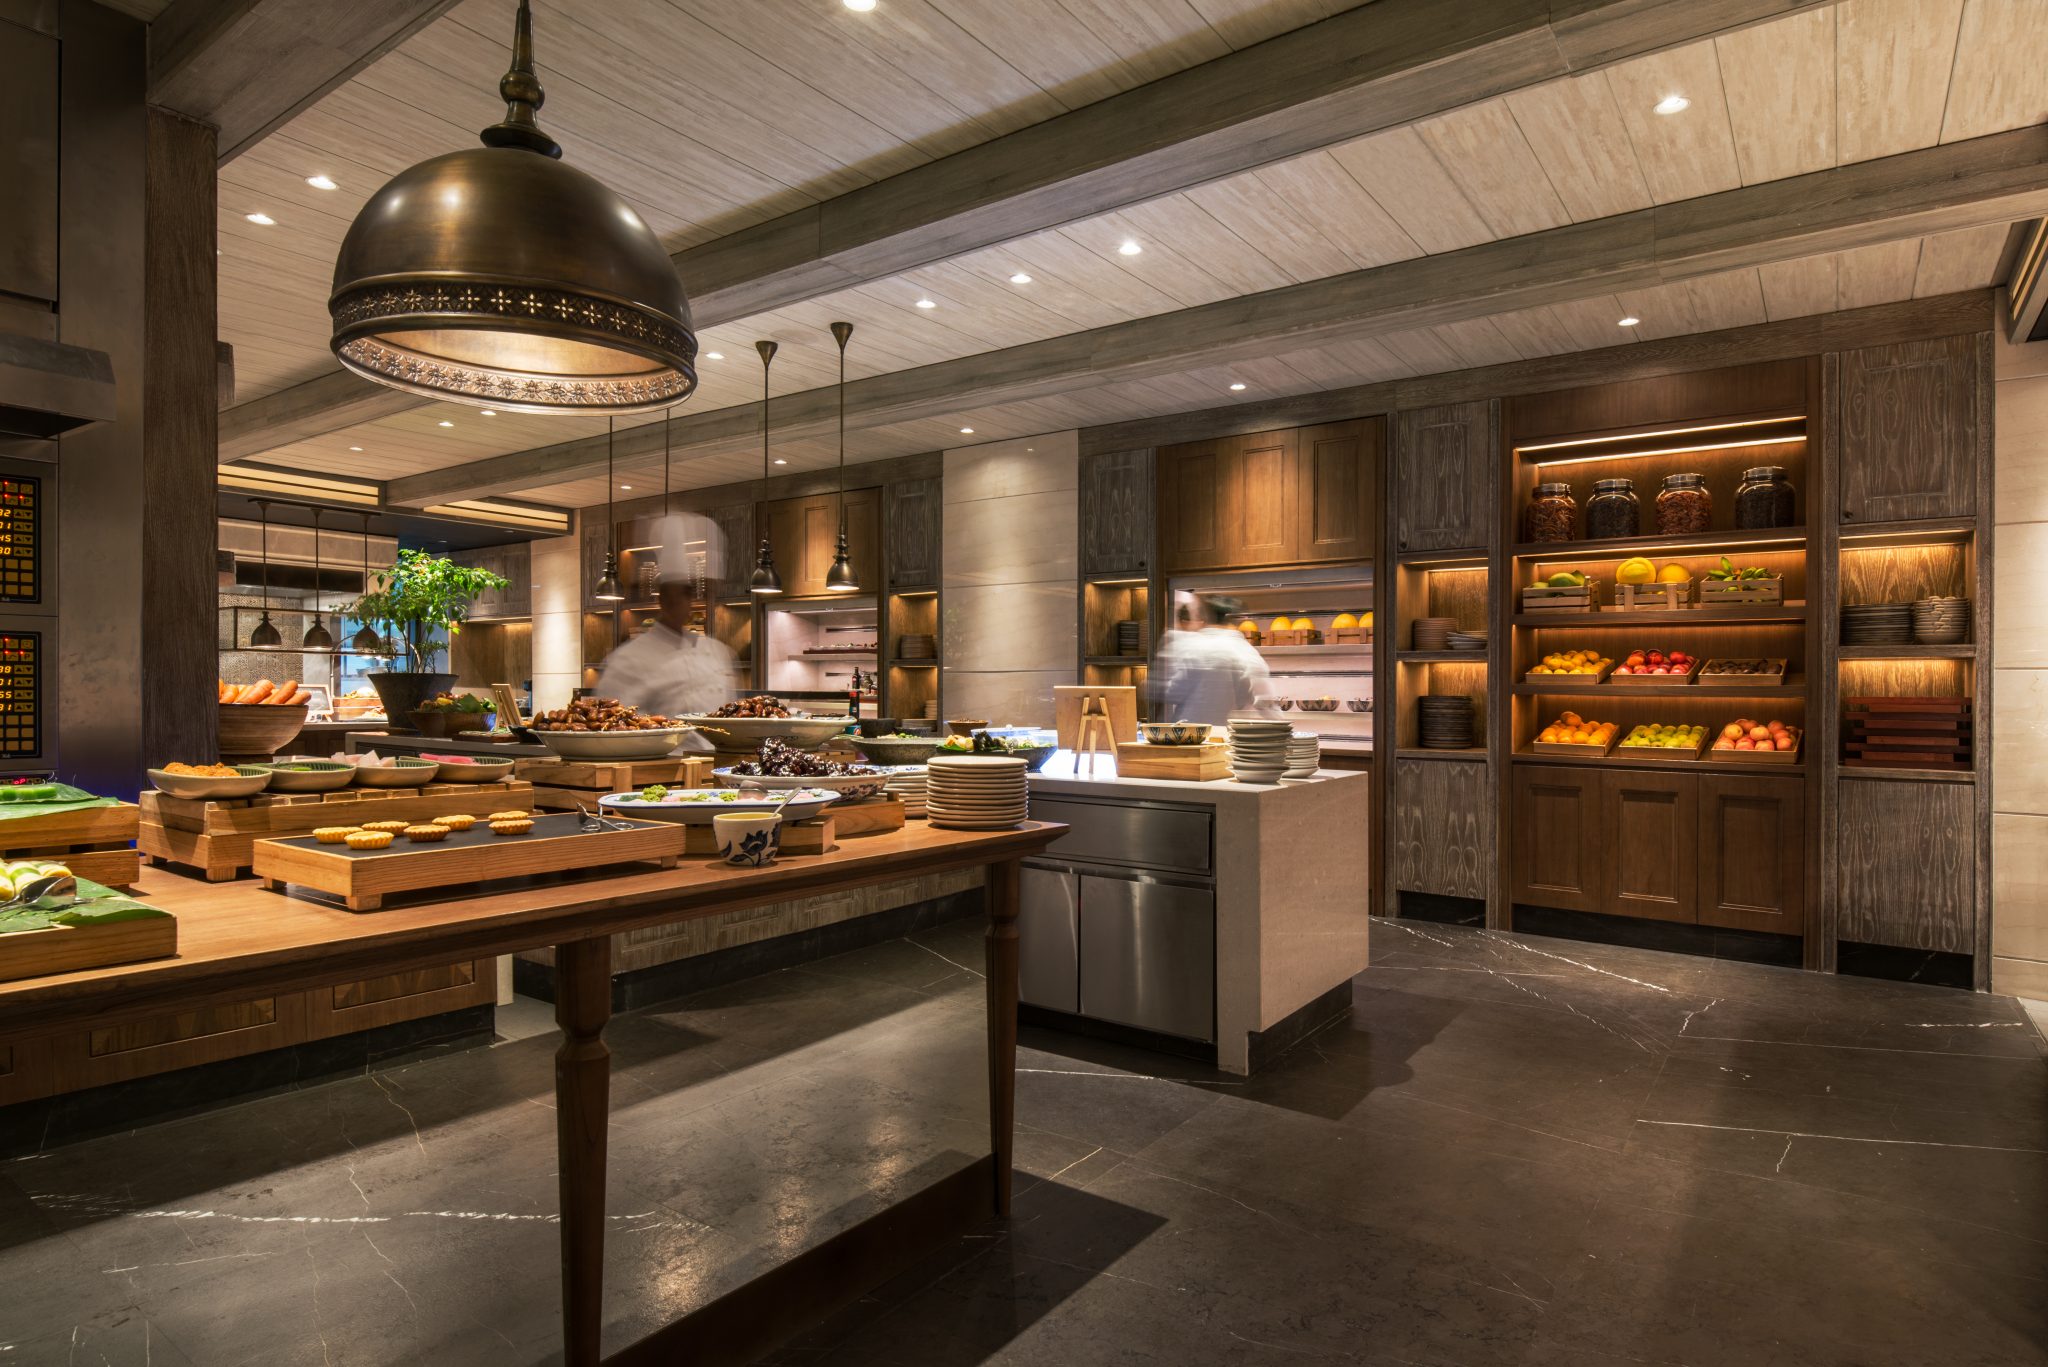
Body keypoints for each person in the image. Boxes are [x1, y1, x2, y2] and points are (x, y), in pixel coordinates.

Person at [594, 514, 734, 748]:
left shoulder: (717, 652)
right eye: (675, 594)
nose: (682, 602)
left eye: (689, 594)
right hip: (661, 770)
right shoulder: (628, 660)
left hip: (719, 768)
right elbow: (612, 728)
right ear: (663, 598)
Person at [1155, 594, 1273, 725]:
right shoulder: (1246, 651)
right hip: (1225, 734)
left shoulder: (1193, 646)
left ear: (1207, 617)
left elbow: (1173, 693)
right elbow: (1261, 700)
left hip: (1188, 734)